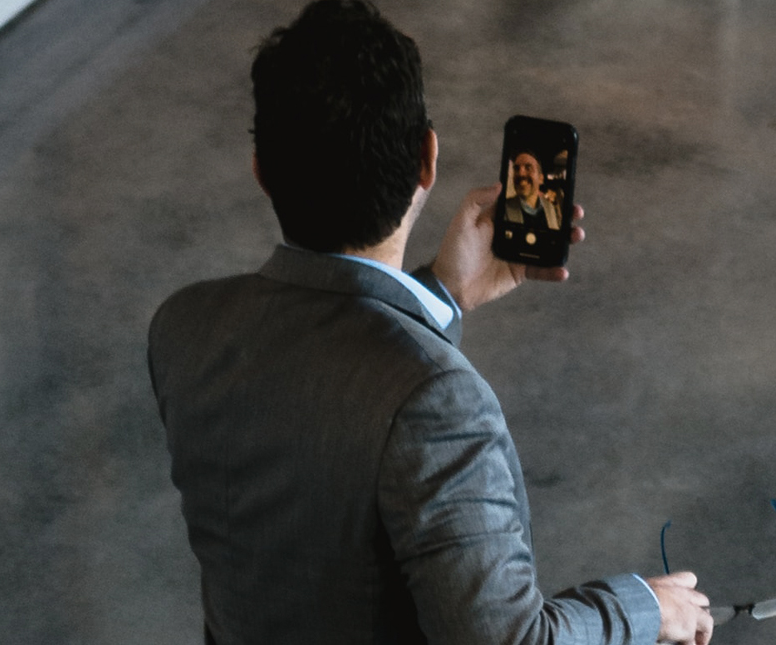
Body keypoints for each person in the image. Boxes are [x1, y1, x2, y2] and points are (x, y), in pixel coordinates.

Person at [147, 2, 714, 644]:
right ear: (427, 159)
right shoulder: (439, 404)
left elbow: (324, 386)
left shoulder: (185, 328)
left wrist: (441, 292)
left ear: (260, 172)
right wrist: (643, 608)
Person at [504, 150, 562, 230]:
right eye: (517, 168)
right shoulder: (503, 208)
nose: (521, 174)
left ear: (540, 179)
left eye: (528, 168)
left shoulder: (551, 208)